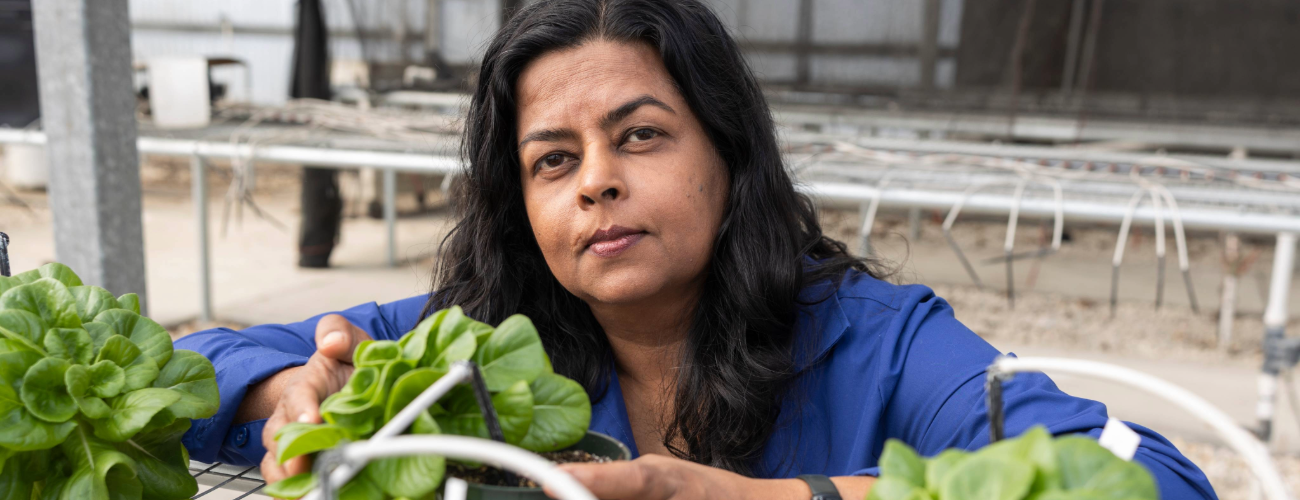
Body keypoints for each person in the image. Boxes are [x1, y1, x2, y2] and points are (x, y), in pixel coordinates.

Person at [176, 1, 1217, 498]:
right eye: (551, 160)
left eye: (639, 135)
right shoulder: (483, 340)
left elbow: (1154, 480)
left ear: (729, 154)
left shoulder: (877, 344)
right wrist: (290, 392)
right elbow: (199, 370)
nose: (595, 180)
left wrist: (753, 499)